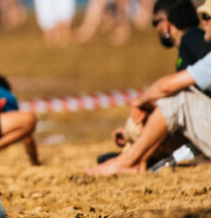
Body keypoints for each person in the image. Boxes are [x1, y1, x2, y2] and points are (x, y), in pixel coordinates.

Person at [88, 46, 211, 176]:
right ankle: (138, 157)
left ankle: (128, 161)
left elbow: (166, 87)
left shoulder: (191, 39)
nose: (203, 24)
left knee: (179, 97)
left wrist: (141, 101)